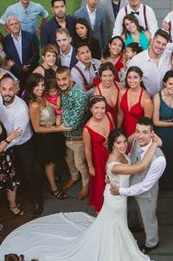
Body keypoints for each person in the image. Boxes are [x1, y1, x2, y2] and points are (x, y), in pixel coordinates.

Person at [0, 128, 157, 261]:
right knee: (115, 226)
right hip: (115, 201)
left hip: (118, 196)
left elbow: (130, 139)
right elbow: (141, 166)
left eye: (124, 142)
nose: (123, 145)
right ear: (112, 145)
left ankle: (120, 246)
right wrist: (154, 143)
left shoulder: (122, 152)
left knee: (117, 225)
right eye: (119, 143)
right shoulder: (114, 164)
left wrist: (141, 133)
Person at [111, 118, 167, 254]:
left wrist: (122, 191)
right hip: (131, 186)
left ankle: (152, 242)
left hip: (146, 193)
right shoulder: (136, 141)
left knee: (149, 218)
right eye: (137, 131)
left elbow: (145, 186)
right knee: (135, 210)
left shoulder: (159, 159)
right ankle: (137, 225)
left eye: (145, 132)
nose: (140, 135)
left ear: (152, 134)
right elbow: (131, 156)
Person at [0, 75, 44, 214]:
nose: (7, 93)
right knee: (17, 171)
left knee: (30, 173)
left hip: (23, 144)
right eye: (4, 89)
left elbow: (17, 137)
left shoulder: (22, 108)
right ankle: (22, 190)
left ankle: (37, 201)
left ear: (16, 89)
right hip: (7, 143)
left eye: (11, 89)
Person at [25, 74, 69, 200]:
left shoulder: (43, 97)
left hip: (53, 133)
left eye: (42, 85)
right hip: (45, 138)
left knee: (55, 160)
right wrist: (58, 128)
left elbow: (55, 107)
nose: (40, 88)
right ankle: (54, 189)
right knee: (49, 164)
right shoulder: (34, 105)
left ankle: (53, 176)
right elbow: (37, 128)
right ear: (31, 87)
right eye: (37, 85)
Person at [56, 67, 90, 200]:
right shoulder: (64, 91)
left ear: (71, 78)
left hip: (78, 137)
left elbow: (71, 124)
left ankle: (86, 184)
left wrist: (50, 128)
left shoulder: (79, 96)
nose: (61, 82)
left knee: (80, 163)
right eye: (58, 79)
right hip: (66, 138)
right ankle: (74, 177)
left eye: (64, 79)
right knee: (69, 160)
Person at [84, 95, 114, 212]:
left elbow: (114, 133)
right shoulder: (87, 129)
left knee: (114, 179)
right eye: (96, 108)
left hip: (111, 154)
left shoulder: (109, 116)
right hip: (98, 158)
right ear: (91, 109)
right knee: (101, 182)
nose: (100, 111)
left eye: (102, 108)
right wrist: (90, 166)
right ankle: (102, 207)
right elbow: (87, 150)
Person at [152, 70, 173, 191]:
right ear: (164, 83)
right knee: (162, 156)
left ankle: (171, 182)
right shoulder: (157, 97)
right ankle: (161, 185)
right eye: (170, 84)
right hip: (162, 132)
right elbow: (155, 121)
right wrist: (172, 123)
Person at [127, 29, 171, 96]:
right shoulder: (136, 60)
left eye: (163, 44)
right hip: (145, 100)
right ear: (152, 41)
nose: (160, 46)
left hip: (166, 98)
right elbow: (128, 82)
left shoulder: (170, 56)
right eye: (158, 42)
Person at [118, 66, 153, 143]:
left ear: (140, 79)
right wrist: (117, 133)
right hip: (124, 133)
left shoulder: (146, 100)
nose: (132, 80)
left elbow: (146, 127)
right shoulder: (122, 92)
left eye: (135, 77)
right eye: (129, 77)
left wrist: (128, 141)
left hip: (138, 136)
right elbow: (120, 114)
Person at [2, 15, 40, 84]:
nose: (14, 26)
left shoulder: (31, 37)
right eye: (11, 24)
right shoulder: (6, 41)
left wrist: (27, 65)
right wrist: (19, 68)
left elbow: (36, 55)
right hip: (16, 74)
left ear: (20, 23)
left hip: (31, 72)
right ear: (8, 27)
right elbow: (8, 58)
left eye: (16, 23)